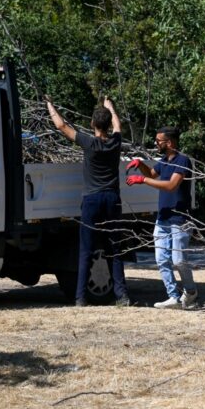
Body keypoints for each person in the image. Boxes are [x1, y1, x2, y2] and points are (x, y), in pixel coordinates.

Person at [46, 96, 131, 307]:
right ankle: (122, 295)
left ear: (93, 124)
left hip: (92, 200)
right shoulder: (115, 142)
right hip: (112, 199)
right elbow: (118, 125)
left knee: (86, 250)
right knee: (115, 248)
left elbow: (61, 125)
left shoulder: (89, 142)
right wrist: (109, 105)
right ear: (107, 124)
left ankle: (80, 298)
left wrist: (49, 103)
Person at [126, 126, 198, 309]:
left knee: (178, 260)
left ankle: (190, 292)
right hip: (163, 217)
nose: (156, 143)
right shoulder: (164, 161)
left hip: (180, 219)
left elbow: (171, 185)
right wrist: (140, 164)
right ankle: (173, 297)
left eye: (159, 141)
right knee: (161, 259)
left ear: (170, 142)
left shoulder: (183, 161)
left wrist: (142, 181)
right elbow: (151, 174)